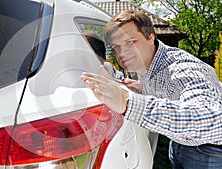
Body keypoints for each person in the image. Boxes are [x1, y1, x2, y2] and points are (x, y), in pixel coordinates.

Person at [80, 10, 222, 169]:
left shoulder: (182, 70)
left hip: (209, 151)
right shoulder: (147, 62)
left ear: (150, 37)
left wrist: (128, 103)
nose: (122, 53)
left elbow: (214, 119)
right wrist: (141, 89)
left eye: (130, 42)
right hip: (180, 141)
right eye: (116, 47)